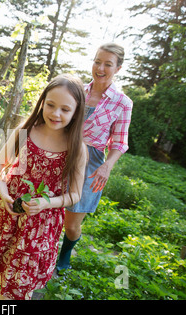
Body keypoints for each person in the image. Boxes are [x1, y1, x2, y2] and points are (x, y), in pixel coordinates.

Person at [0, 74, 87, 300]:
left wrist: (47, 202)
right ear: (42, 101)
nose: (55, 114)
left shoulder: (77, 148)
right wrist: (4, 193)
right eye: (51, 105)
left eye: (65, 109)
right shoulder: (27, 130)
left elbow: (74, 194)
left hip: (41, 225)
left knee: (20, 285)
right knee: (7, 270)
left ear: (76, 112)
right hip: (11, 212)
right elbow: (0, 163)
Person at [56, 43, 133, 273]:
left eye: (107, 64)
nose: (100, 68)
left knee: (71, 225)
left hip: (91, 163)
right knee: (47, 209)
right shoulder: (78, 90)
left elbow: (120, 142)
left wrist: (108, 165)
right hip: (62, 153)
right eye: (97, 61)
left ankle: (66, 253)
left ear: (118, 68)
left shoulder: (123, 102)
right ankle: (44, 250)